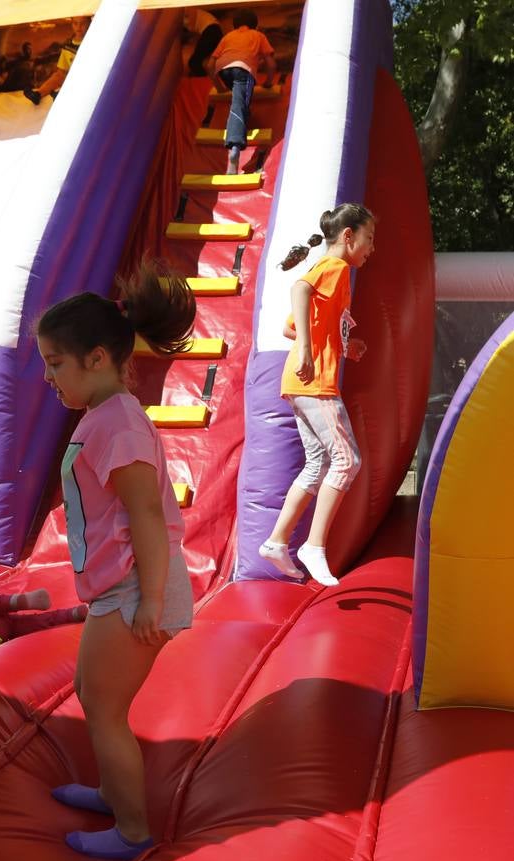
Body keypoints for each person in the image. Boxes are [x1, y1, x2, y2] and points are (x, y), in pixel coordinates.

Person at [36, 261, 196, 861]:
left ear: (97, 358)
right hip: (121, 586)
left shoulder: (119, 424)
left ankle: (133, 831)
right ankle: (110, 789)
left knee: (104, 711)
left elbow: (148, 517)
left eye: (56, 363)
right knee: (90, 691)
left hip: (135, 586)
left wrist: (150, 599)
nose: (49, 377)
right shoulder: (104, 416)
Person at [259, 203, 375, 586]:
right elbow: (298, 290)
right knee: (348, 460)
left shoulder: (327, 270)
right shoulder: (336, 268)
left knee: (317, 464)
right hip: (314, 382)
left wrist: (344, 345)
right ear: (348, 236)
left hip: (297, 384)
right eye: (369, 239)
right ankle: (313, 545)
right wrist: (310, 351)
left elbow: (292, 326)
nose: (371, 249)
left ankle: (277, 541)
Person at [206, 9, 276, 174]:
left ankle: (245, 119)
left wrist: (219, 86)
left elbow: (210, 65)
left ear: (235, 25)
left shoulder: (228, 36)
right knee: (238, 106)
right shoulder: (258, 35)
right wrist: (268, 82)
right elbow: (271, 63)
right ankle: (234, 148)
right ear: (255, 25)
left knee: (241, 102)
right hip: (243, 71)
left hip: (223, 70)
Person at [24, 17, 91, 105]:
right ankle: (38, 94)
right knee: (59, 75)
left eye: (83, 24)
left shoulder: (92, 42)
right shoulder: (68, 44)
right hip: (71, 75)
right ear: (72, 25)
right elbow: (62, 70)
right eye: (75, 23)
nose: (79, 27)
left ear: (89, 24)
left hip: (86, 77)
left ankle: (62, 95)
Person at [183, 8, 224, 77]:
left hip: (211, 31)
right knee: (214, 62)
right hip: (215, 30)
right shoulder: (194, 12)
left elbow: (191, 27)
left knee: (194, 62)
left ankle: (204, 80)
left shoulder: (188, 10)